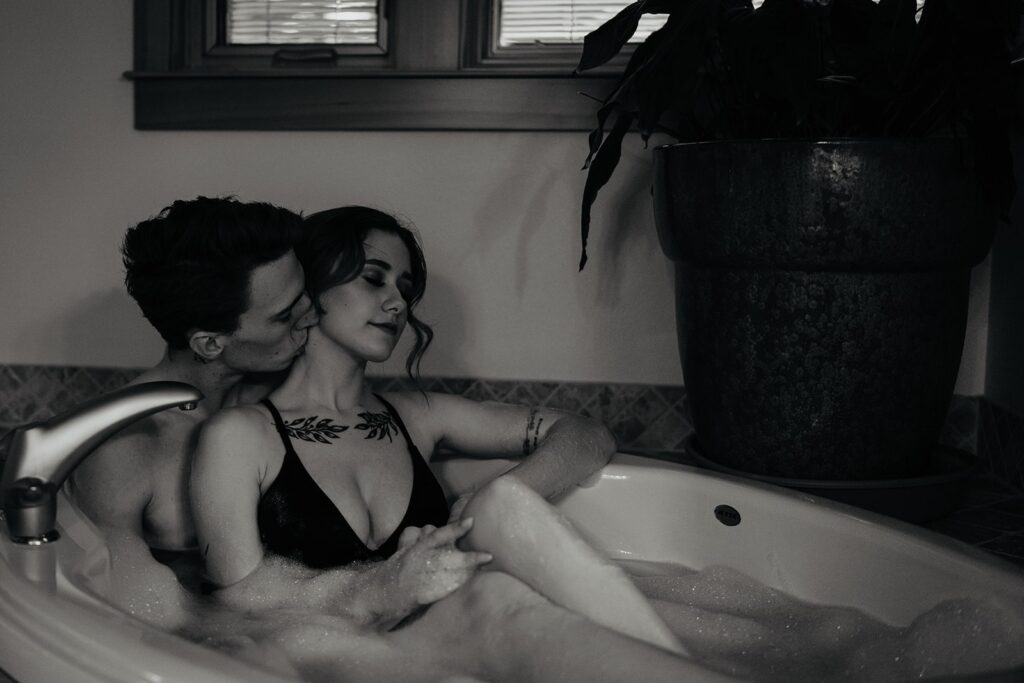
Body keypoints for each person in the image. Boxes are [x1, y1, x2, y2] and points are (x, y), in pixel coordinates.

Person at [189, 206, 737, 681]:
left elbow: (586, 436)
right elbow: (236, 599)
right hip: (322, 661)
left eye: (405, 289)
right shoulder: (240, 437)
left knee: (502, 593)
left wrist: (489, 504)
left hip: (451, 646)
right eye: (374, 279)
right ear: (311, 288)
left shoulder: (419, 416)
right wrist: (383, 587)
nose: (397, 304)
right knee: (498, 603)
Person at [67, 196, 318, 627]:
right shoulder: (126, 448)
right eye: (284, 316)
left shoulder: (289, 391)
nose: (311, 316)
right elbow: (135, 613)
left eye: (305, 295)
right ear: (210, 344)